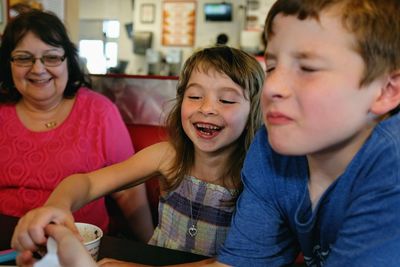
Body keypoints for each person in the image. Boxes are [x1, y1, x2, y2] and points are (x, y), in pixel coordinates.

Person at [11, 45, 264, 265]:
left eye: (227, 100)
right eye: (195, 96)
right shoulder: (169, 157)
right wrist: (57, 207)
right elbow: (86, 183)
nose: (207, 108)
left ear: (253, 111)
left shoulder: (258, 177)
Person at [208, 0, 400, 266]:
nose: (271, 86)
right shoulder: (271, 148)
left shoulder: (393, 165)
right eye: (272, 67)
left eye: (308, 68)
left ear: (386, 90)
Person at [0, 10, 154, 242]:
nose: (38, 69)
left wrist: (148, 249)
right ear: (8, 64)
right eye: (24, 58)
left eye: (51, 57)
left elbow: (129, 191)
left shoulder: (99, 112)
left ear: (68, 61)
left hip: (80, 244)